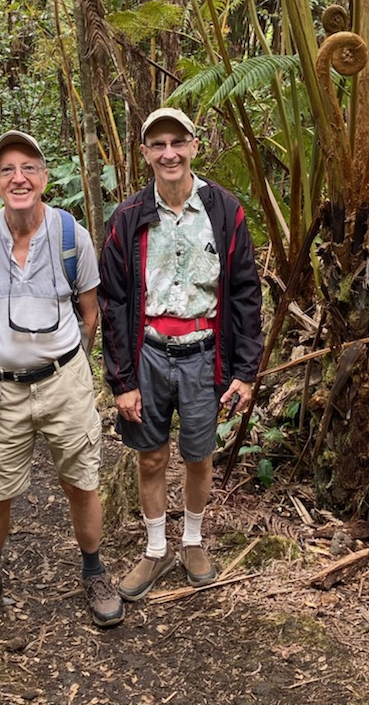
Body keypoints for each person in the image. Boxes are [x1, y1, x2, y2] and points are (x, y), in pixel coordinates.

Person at [0, 130, 124, 628]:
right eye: (7, 170)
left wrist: (64, 365)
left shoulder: (70, 236)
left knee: (81, 480)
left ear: (43, 178)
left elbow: (89, 314)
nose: (19, 178)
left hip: (65, 381)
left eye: (30, 168)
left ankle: (94, 572)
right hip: (5, 387)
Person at [98, 107, 263, 600]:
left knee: (198, 455)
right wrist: (121, 381)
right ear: (145, 153)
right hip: (148, 352)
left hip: (203, 353)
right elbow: (113, 301)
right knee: (150, 457)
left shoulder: (222, 209)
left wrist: (246, 371)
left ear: (194, 145)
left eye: (177, 142)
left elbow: (244, 292)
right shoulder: (128, 218)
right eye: (157, 144)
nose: (168, 153)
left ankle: (192, 540)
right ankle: (154, 550)